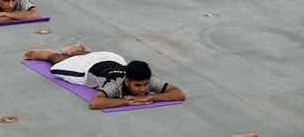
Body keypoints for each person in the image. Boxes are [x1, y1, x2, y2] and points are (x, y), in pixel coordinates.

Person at [23, 44, 185, 109]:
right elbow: (95, 103)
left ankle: (75, 50)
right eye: (138, 86)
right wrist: (126, 101)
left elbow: (179, 93)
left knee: (94, 56)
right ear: (127, 81)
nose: (143, 89)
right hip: (86, 69)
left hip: (113, 59)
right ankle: (50, 54)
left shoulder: (146, 78)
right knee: (59, 66)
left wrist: (150, 98)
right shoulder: (114, 84)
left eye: (144, 85)